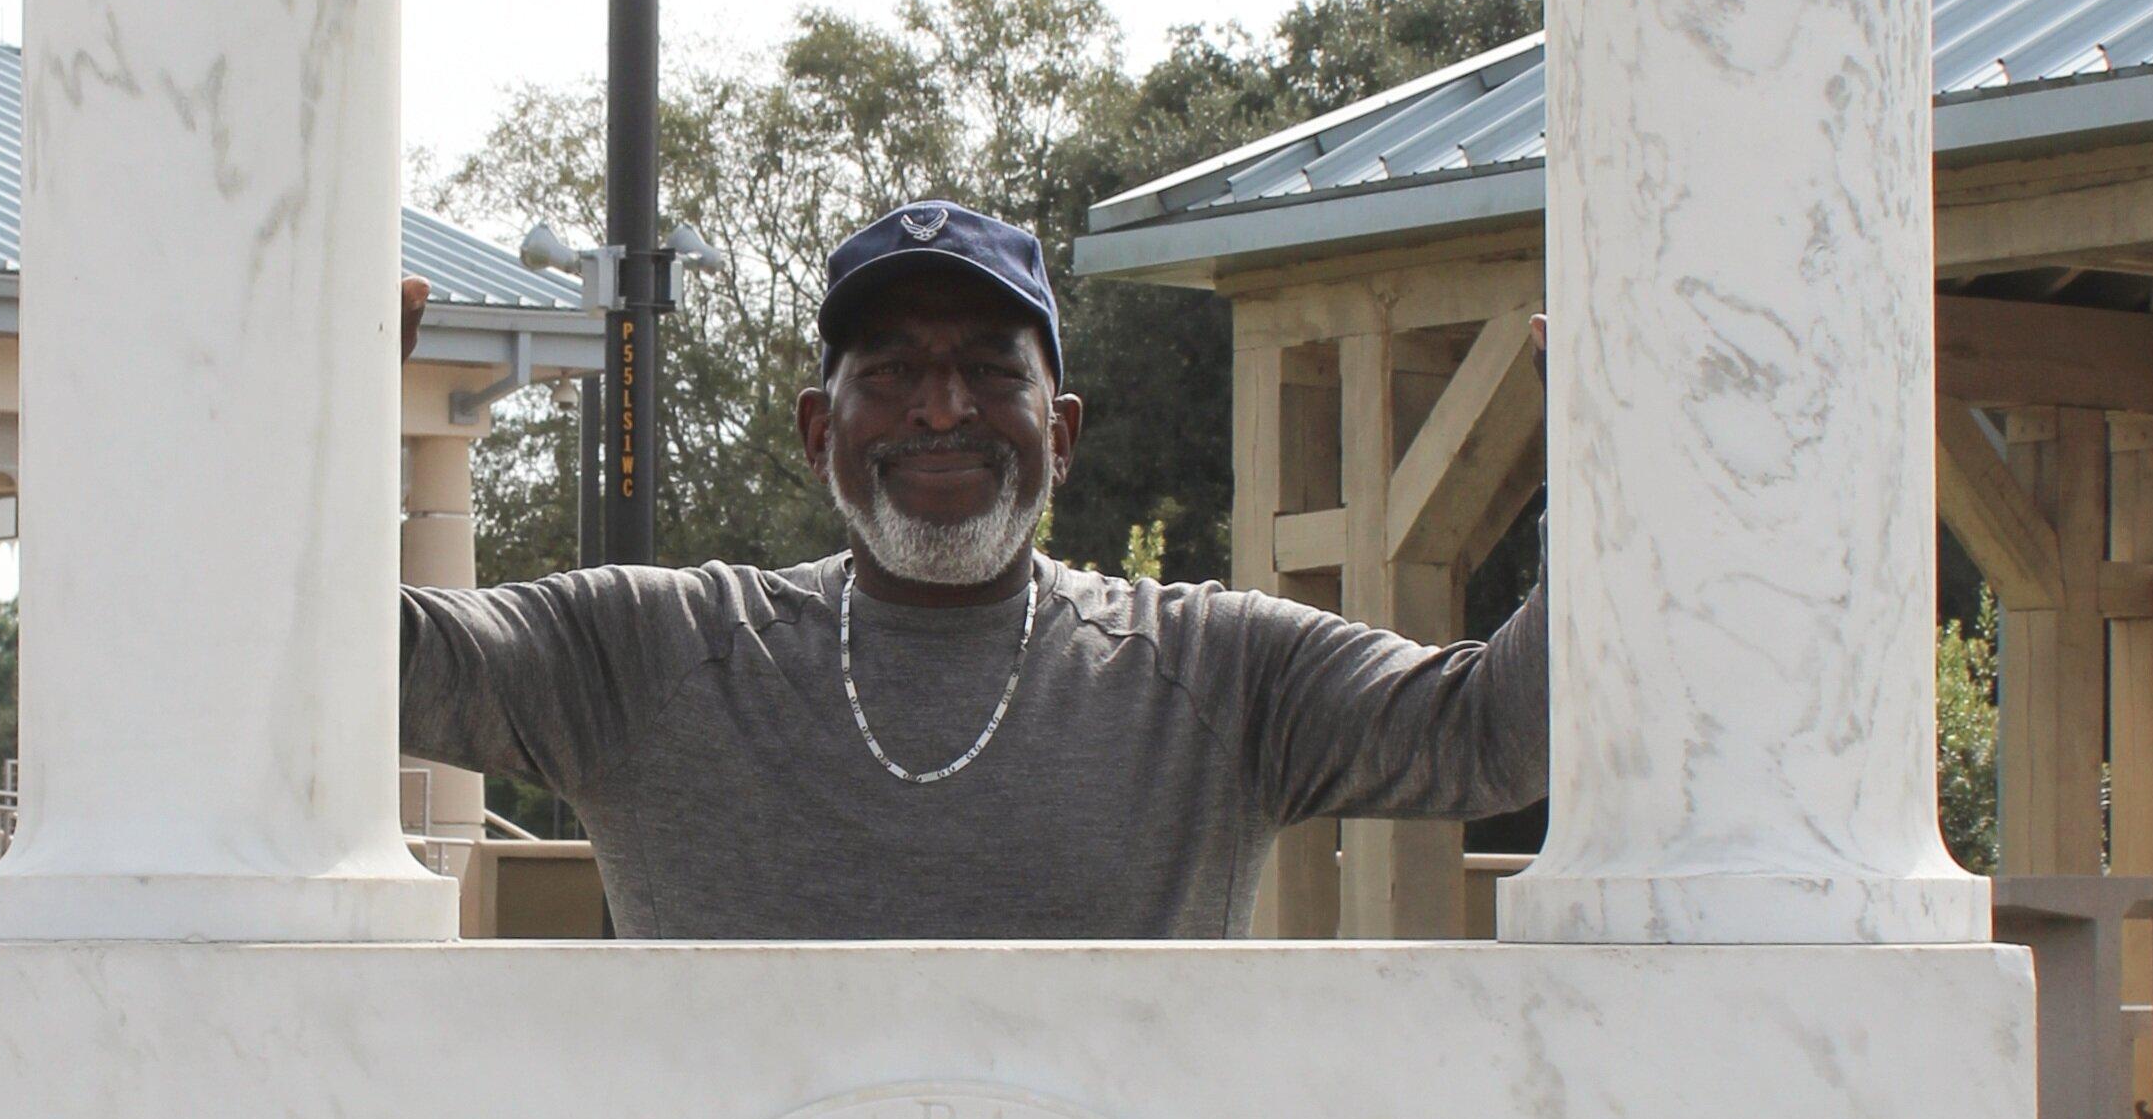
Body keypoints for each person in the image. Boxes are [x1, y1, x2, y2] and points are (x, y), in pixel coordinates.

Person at [398, 202, 1545, 939]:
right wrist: (317, 413)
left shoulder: (1220, 668)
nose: (942, 407)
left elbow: (1498, 733)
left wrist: (1608, 457)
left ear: (1063, 433)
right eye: (890, 370)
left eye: (992, 373)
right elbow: (354, 663)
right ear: (816, 429)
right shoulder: (646, 652)